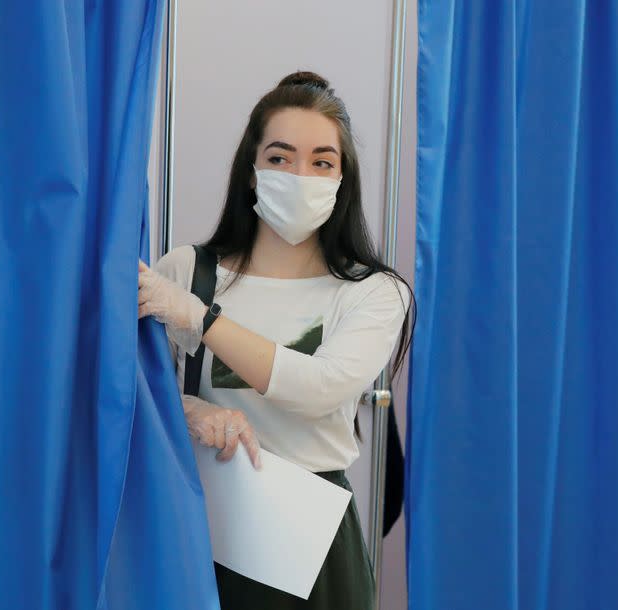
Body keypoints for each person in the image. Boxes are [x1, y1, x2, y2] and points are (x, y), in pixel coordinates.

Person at [137, 71, 414, 610]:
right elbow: (131, 395)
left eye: (321, 162)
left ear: (341, 180)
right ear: (251, 170)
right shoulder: (186, 270)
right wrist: (187, 408)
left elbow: (320, 388)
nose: (300, 174)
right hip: (201, 527)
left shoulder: (374, 292)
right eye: (280, 157)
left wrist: (201, 319)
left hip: (310, 543)